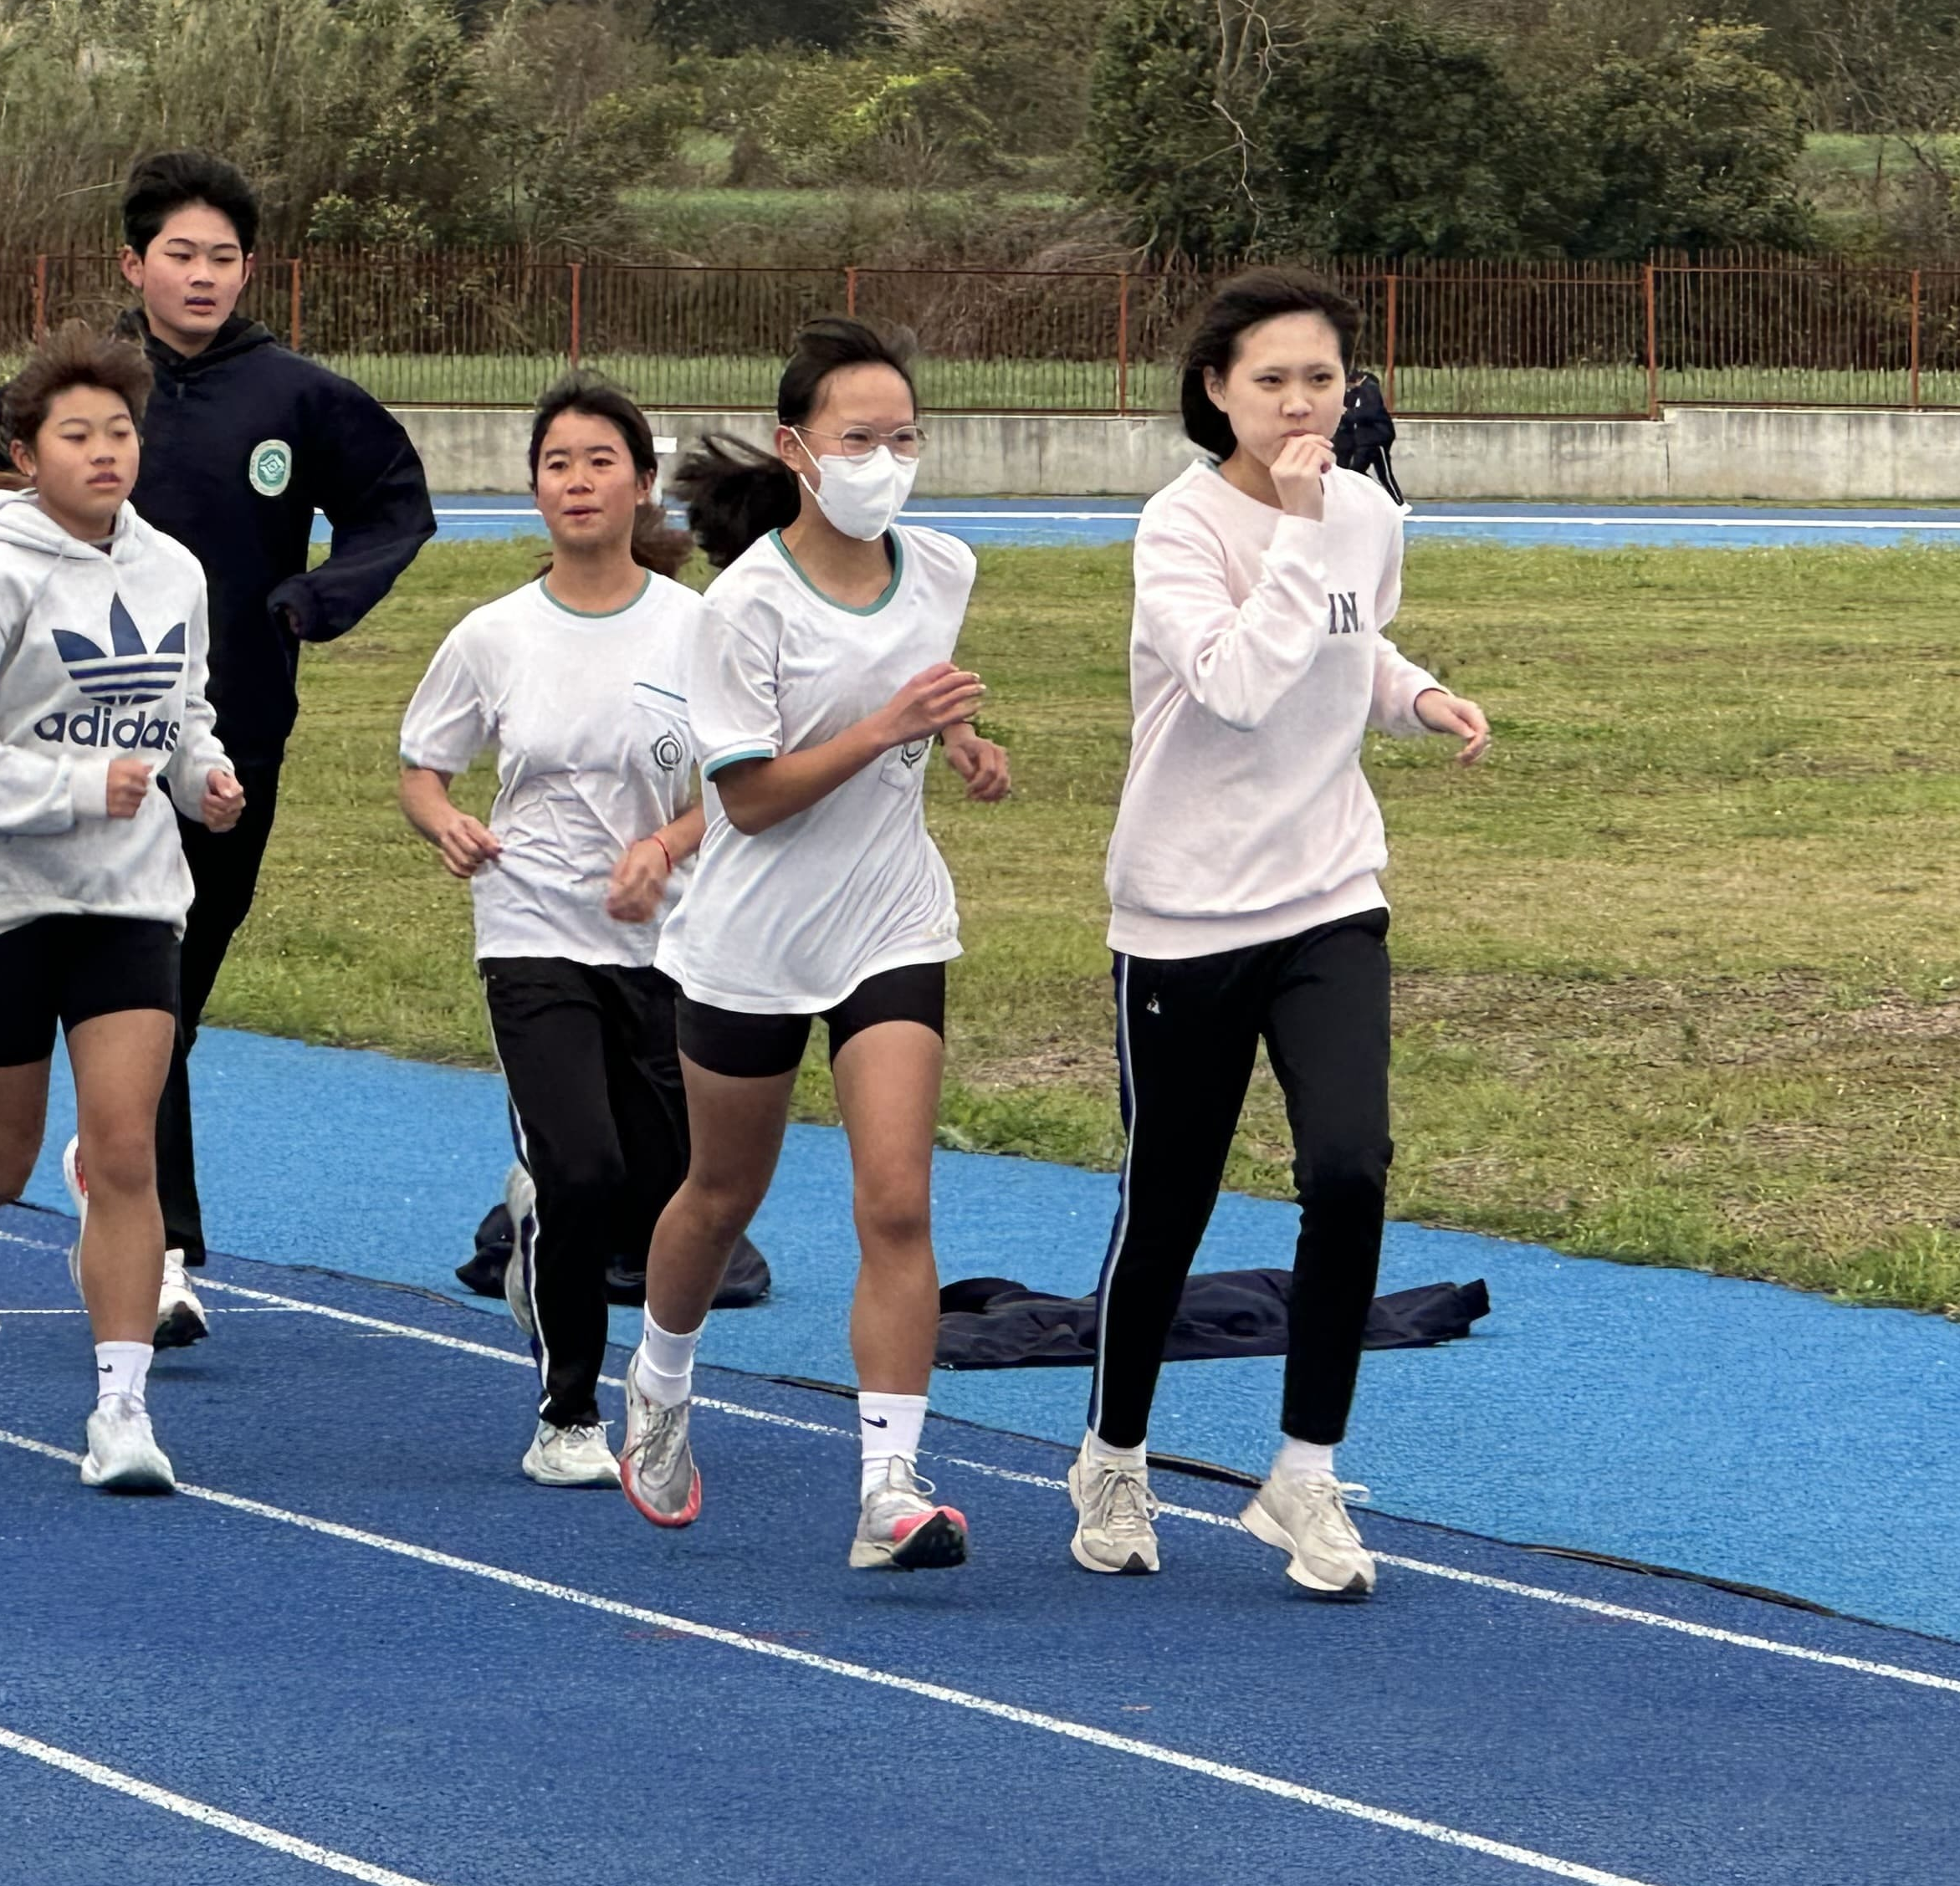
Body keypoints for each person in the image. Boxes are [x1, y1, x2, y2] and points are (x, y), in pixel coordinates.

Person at [0, 151, 434, 1342]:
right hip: (78, 756)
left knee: (176, 992)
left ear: (250, 268)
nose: (203, 275)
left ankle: (115, 1167)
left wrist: (308, 602)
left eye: (224, 256)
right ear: (133, 264)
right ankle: (158, 1242)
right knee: (143, 994)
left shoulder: (296, 397)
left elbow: (396, 504)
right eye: (180, 254)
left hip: (232, 743)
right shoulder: (68, 395)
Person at [1068, 268, 1492, 1597]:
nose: (1300, 403)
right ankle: (1112, 1452)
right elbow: (1242, 682)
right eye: (1270, 380)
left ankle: (1303, 1472)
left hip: (1327, 893)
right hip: (1184, 911)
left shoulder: (1364, 513)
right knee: (1171, 1201)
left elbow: (1349, 644)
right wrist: (1302, 524)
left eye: (1321, 378)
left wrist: (1417, 696)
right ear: (1216, 391)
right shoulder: (1178, 529)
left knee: (1349, 1168)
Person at [612, 318, 1012, 1571]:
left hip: (890, 916)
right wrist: (889, 723)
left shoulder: (941, 566)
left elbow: (919, 681)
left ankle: (889, 1488)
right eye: (859, 439)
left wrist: (958, 740)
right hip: (752, 937)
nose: (885, 461)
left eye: (905, 438)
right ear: (797, 449)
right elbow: (748, 799)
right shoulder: (742, 607)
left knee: (896, 1198)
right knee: (720, 1195)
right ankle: (659, 1382)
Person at [0, 323, 244, 1495]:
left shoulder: (174, 571)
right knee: (1, 1156)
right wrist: (75, 788)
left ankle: (121, 1411)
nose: (104, 452)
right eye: (76, 434)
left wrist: (202, 776)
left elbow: (181, 712)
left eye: (120, 431)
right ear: (26, 455)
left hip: (130, 895)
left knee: (125, 1146)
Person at [398, 376, 706, 1488]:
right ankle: (568, 1412)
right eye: (557, 464)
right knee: (582, 1166)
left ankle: (550, 1235)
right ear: (534, 489)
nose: (577, 482)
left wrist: (662, 847)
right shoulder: (494, 636)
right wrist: (446, 823)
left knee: (662, 1189)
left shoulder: (698, 630)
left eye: (599, 461)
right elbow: (423, 768)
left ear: (643, 484)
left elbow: (739, 787)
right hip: (529, 929)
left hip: (666, 944)